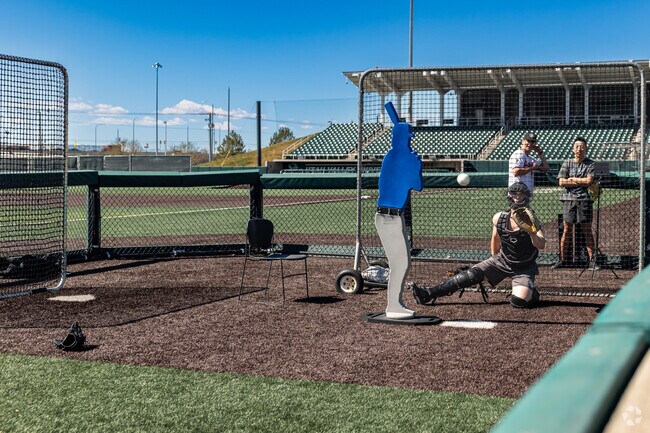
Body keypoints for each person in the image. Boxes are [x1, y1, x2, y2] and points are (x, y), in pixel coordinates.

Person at [411, 182, 546, 308]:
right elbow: (495, 239)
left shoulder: (533, 220)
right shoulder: (499, 217)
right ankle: (428, 293)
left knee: (519, 302)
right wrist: (494, 262)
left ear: (527, 197)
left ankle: (531, 292)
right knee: (470, 275)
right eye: (514, 194)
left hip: (524, 267)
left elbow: (541, 245)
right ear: (509, 197)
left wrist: (532, 232)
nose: (517, 197)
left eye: (521, 195)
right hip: (503, 261)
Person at [376, 101, 423, 319]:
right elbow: (417, 185)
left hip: (393, 217)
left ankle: (395, 304)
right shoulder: (398, 158)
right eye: (408, 138)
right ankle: (393, 306)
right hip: (388, 217)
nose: (410, 142)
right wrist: (417, 167)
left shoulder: (393, 156)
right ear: (401, 138)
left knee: (403, 263)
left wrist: (413, 165)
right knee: (400, 263)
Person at [553, 137, 599, 269]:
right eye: (577, 146)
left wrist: (572, 179)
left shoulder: (590, 164)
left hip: (584, 200)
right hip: (568, 200)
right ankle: (562, 260)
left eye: (582, 146)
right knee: (567, 229)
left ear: (586, 148)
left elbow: (589, 181)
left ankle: (592, 261)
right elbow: (561, 181)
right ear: (573, 149)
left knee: (586, 230)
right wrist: (579, 180)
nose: (579, 148)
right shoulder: (567, 163)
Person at [508, 131, 549, 195]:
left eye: (532, 141)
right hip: (517, 193)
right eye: (528, 141)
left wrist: (540, 153)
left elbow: (546, 168)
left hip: (526, 193)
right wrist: (532, 168)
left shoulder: (531, 158)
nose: (530, 143)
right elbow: (516, 172)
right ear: (523, 141)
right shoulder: (518, 153)